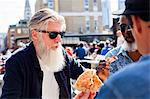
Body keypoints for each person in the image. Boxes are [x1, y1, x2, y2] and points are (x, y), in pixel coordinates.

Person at [1, 8, 84, 99]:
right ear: (35, 35)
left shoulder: (63, 56)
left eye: (61, 34)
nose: (59, 40)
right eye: (53, 34)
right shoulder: (17, 62)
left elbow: (86, 76)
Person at [75, 0, 150, 98]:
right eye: (123, 27)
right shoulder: (110, 58)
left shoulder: (115, 86)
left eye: (131, 25)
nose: (127, 31)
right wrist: (102, 81)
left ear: (137, 23)